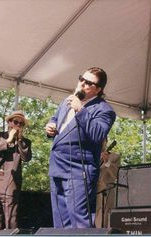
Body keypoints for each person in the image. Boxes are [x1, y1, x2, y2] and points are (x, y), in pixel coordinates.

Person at [45, 67, 116, 228]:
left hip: (78, 169)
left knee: (79, 220)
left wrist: (80, 110)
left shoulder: (105, 110)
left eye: (88, 83)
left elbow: (98, 134)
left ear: (98, 89)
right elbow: (56, 119)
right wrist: (51, 127)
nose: (82, 84)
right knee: (60, 220)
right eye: (81, 79)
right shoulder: (66, 101)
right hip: (57, 165)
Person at [0, 110, 32, 233]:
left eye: (21, 124)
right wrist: (7, 140)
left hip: (10, 182)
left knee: (11, 218)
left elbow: (26, 158)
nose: (18, 125)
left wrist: (19, 140)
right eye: (16, 122)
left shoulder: (25, 142)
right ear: (9, 122)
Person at [95, 140, 121, 228]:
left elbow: (116, 175)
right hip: (90, 193)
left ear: (106, 141)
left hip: (105, 193)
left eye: (102, 140)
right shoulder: (90, 155)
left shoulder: (114, 157)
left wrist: (107, 162)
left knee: (103, 220)